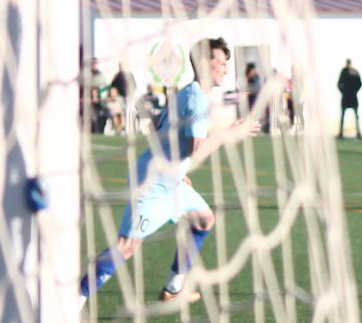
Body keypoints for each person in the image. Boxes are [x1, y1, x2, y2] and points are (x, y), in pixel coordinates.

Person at [79, 38, 257, 306]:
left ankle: (173, 288)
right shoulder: (196, 100)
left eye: (225, 63)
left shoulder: (188, 93)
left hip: (168, 180)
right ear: (203, 63)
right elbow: (195, 149)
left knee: (204, 220)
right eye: (219, 62)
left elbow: (166, 137)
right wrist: (230, 133)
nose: (225, 68)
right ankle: (73, 300)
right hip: (151, 185)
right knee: (126, 248)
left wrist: (176, 171)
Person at [337, 59, 362, 139]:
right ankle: (341, 132)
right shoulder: (343, 72)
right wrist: (343, 91)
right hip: (345, 96)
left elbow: (359, 84)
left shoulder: (355, 72)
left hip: (353, 96)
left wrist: (355, 91)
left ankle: (358, 133)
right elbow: (339, 83)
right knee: (343, 115)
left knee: (356, 116)